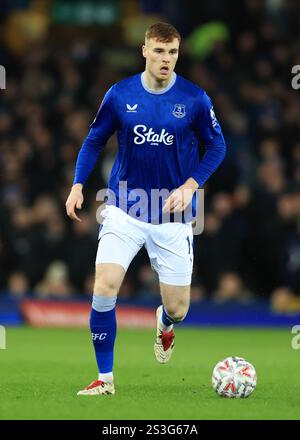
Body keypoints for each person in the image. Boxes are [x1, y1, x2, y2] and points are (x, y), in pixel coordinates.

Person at [65, 22, 226, 395]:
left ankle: (165, 323)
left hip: (173, 216)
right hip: (124, 206)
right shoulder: (120, 95)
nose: (165, 59)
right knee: (104, 285)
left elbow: (217, 147)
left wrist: (191, 184)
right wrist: (77, 185)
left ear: (178, 54)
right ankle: (105, 379)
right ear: (144, 51)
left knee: (180, 308)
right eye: (158, 51)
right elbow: (93, 141)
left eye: (172, 52)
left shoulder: (195, 99)